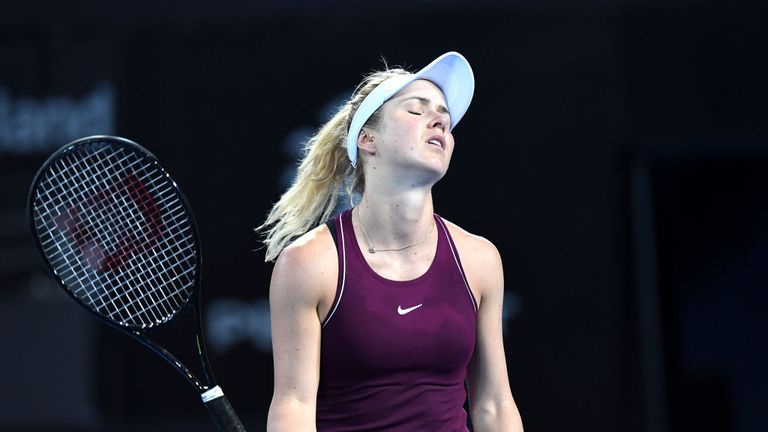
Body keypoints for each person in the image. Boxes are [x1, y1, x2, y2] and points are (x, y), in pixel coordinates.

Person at [258, 51, 523, 431]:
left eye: (444, 118)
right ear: (368, 139)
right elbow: (294, 406)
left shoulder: (479, 258)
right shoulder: (310, 263)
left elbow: (495, 405)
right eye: (416, 111)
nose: (439, 121)